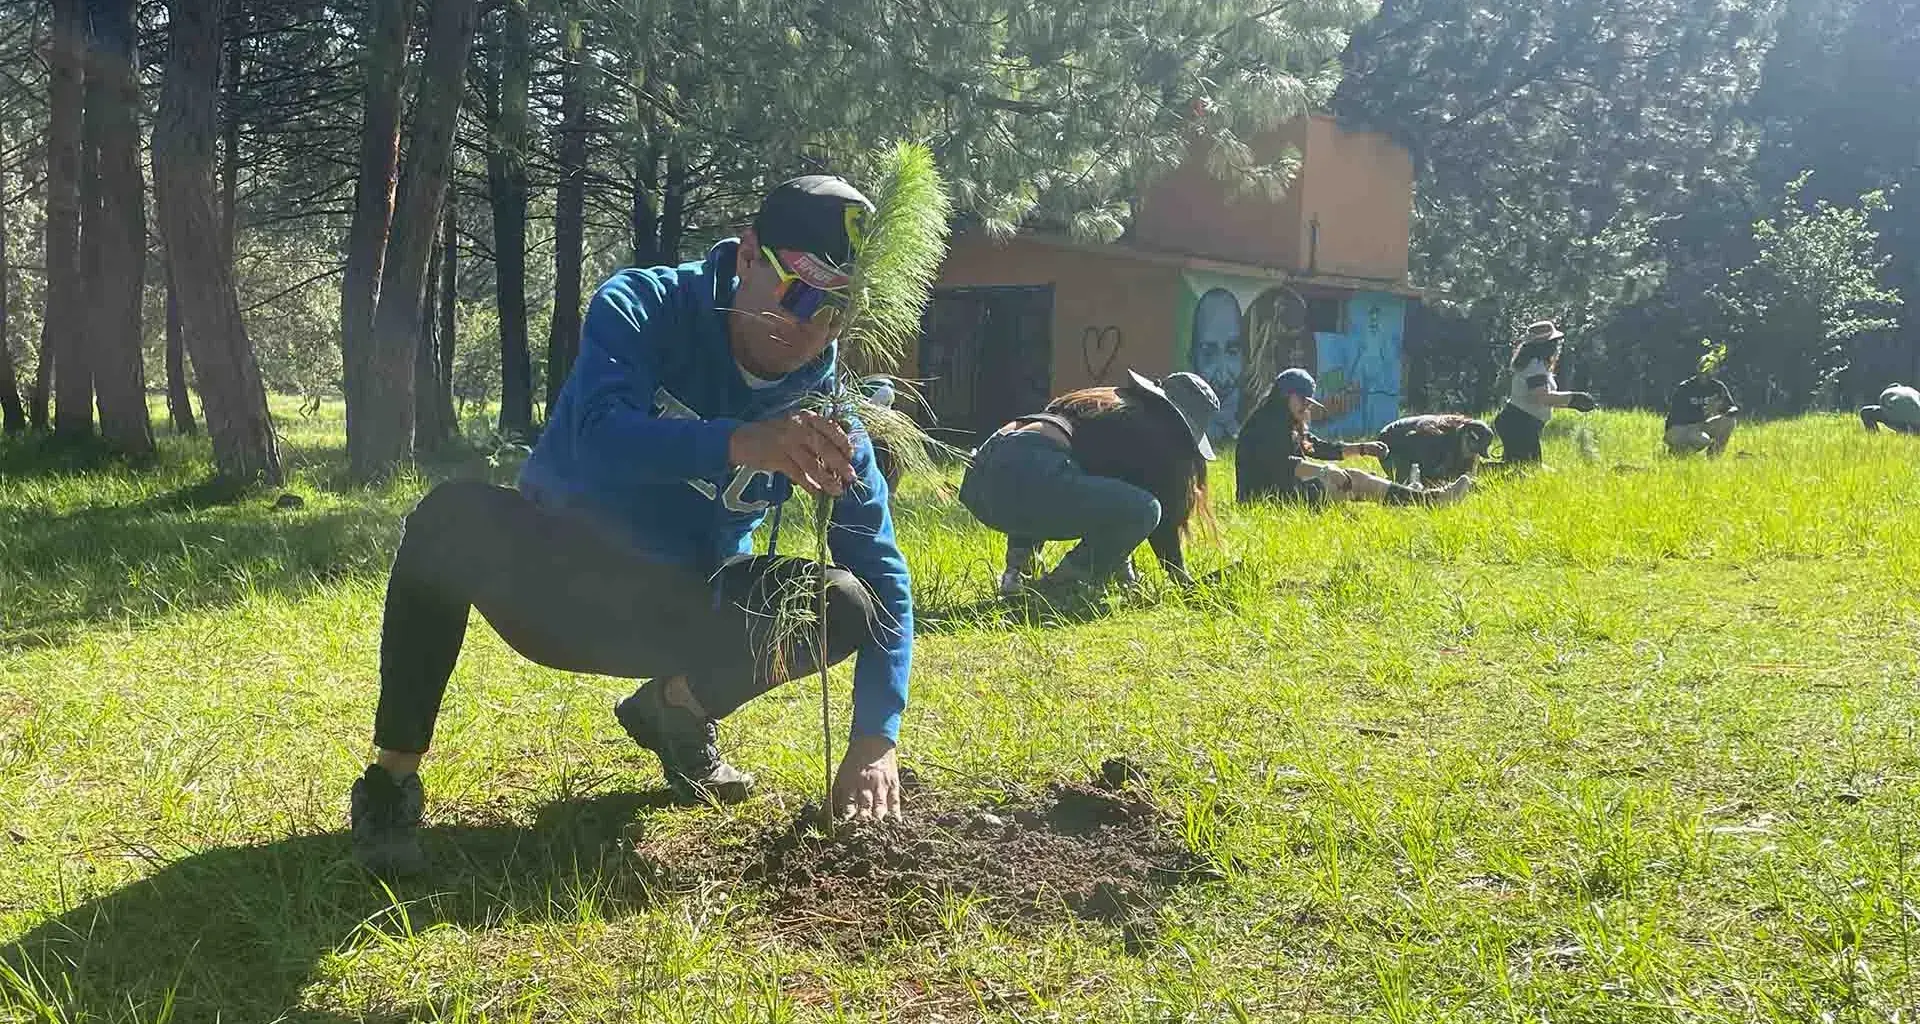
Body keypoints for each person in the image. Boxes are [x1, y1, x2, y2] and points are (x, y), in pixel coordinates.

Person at [348, 175, 913, 877]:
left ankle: (675, 711)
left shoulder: (831, 409)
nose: (813, 327)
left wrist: (875, 740)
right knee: (450, 518)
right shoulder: (644, 305)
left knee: (845, 601)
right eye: (802, 293)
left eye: (839, 309)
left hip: (680, 605)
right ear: (748, 255)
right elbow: (596, 434)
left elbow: (881, 570)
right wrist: (741, 442)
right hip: (557, 582)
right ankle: (391, 781)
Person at [959, 369, 1218, 599]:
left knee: (1047, 472)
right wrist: (1181, 578)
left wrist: (1125, 575)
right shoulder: (1152, 431)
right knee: (1148, 509)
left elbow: (1111, 504)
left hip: (980, 478)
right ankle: (1065, 582)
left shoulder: (1107, 404)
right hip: (1029, 475)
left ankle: (1019, 571)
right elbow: (1154, 521)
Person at [1237, 368, 1474, 506]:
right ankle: (1429, 500)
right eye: (1303, 400)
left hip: (1283, 492)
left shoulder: (1286, 422)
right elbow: (1283, 464)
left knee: (1359, 479)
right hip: (1263, 500)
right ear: (1284, 395)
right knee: (1352, 482)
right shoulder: (1263, 426)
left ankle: (1421, 497)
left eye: (1309, 402)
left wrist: (1362, 448)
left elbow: (1316, 447)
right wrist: (1325, 471)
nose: (1307, 406)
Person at [1491, 320, 1597, 464]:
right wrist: (1574, 399)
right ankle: (1477, 471)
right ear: (1547, 345)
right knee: (1529, 469)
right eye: (1555, 342)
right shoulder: (1534, 366)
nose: (1558, 346)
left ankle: (1479, 471)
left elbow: (1543, 398)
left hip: (1518, 422)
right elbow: (1542, 397)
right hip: (1519, 424)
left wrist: (1572, 401)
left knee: (1520, 467)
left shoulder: (1535, 364)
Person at [1375, 414, 1495, 484]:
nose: (1471, 454)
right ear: (1465, 435)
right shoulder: (1436, 438)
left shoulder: (1457, 439)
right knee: (1415, 484)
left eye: (1476, 452)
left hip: (1412, 442)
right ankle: (1381, 482)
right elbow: (1427, 473)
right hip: (1390, 441)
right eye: (1471, 449)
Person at [1664, 372, 1739, 455]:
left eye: (1708, 371)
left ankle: (1714, 457)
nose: (1705, 375)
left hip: (1700, 425)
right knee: (1703, 440)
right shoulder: (1685, 387)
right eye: (1702, 372)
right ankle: (1677, 452)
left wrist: (1727, 411)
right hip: (1679, 428)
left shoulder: (1718, 386)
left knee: (1729, 421)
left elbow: (1732, 407)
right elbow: (1678, 414)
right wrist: (1705, 410)